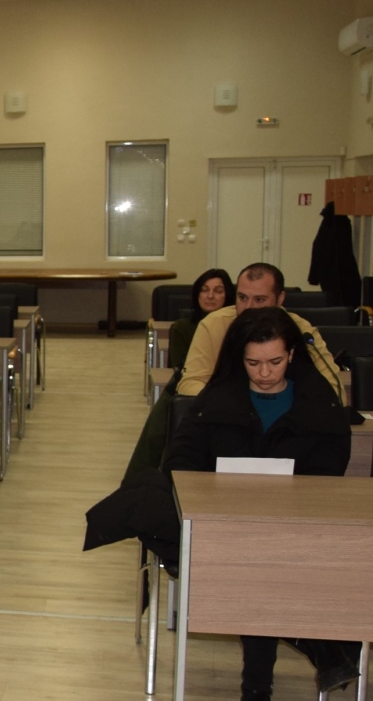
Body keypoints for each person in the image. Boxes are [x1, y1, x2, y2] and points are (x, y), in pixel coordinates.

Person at [163, 307, 359, 700]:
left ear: (292, 355)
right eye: (253, 363)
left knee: (266, 567)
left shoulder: (318, 404)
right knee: (255, 566)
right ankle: (318, 646)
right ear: (239, 358)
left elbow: (329, 472)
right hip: (224, 526)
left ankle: (258, 686)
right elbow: (180, 463)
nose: (264, 373)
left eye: (275, 362)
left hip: (297, 527)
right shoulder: (216, 400)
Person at [176, 262, 337, 397]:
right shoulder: (213, 325)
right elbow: (189, 383)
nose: (248, 308)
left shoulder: (301, 329)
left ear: (279, 299)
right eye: (242, 298)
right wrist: (234, 401)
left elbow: (333, 388)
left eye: (259, 300)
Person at [167, 268, 234, 369]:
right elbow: (181, 368)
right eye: (204, 290)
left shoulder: (235, 327)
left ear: (228, 295)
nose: (210, 296)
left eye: (218, 291)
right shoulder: (182, 328)